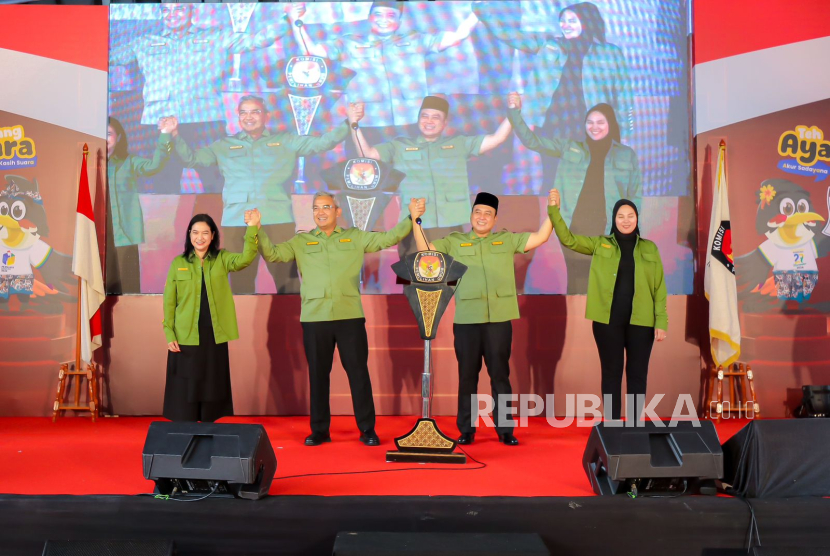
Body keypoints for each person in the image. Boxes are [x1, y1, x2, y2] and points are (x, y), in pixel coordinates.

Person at [253, 193, 424, 446]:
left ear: (337, 211)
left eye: (326, 207)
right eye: (316, 208)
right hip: (315, 318)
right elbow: (274, 255)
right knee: (319, 376)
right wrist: (256, 229)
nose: (320, 212)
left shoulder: (354, 237)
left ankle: (367, 429)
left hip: (349, 316)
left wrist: (412, 217)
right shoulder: (302, 240)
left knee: (358, 374)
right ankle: (320, 430)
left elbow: (387, 238)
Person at [168, 96, 355, 294]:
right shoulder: (223, 145)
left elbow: (323, 143)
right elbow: (191, 159)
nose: (249, 117)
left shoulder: (285, 141)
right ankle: (242, 324)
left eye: (255, 112)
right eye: (244, 113)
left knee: (288, 282)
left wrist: (349, 122)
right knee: (240, 283)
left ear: (266, 116)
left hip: (277, 219)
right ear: (238, 117)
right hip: (237, 222)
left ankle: (292, 324)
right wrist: (174, 135)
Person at [414, 192, 554, 445]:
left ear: (495, 217)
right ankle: (466, 430)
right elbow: (425, 251)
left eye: (488, 213)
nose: (482, 217)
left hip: (499, 319)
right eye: (478, 212)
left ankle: (505, 430)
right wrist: (416, 220)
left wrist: (553, 210)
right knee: (468, 375)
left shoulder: (506, 240)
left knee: (500, 374)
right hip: (467, 319)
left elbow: (542, 236)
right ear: (471, 216)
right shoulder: (455, 241)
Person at [109, 4, 294, 194]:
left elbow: (256, 41)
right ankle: (165, 223)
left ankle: (218, 223)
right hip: (160, 124)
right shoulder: (144, 42)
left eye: (179, 9)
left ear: (192, 12)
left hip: (204, 121)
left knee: (216, 182)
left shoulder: (215, 37)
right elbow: (110, 56)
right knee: (162, 184)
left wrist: (287, 19)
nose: (172, 15)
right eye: (166, 10)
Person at [548, 189, 667, 420]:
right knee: (611, 373)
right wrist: (554, 210)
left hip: (642, 323)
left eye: (630, 215)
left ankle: (634, 426)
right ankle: (612, 426)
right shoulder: (600, 244)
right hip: (607, 322)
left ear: (637, 218)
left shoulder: (650, 248)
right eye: (620, 216)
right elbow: (568, 240)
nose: (625, 220)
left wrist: (661, 321)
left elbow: (659, 288)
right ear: (614, 219)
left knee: (637, 374)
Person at [507, 92, 641, 293]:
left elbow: (634, 196)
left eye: (600, 122)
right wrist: (515, 113)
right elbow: (532, 141)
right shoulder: (570, 147)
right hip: (574, 228)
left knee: (605, 286)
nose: (594, 127)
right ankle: (580, 323)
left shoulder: (626, 154)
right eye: (590, 122)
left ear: (611, 124)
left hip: (607, 230)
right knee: (577, 284)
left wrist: (632, 235)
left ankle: (600, 323)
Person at [351, 95, 513, 257]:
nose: (429, 121)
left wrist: (513, 110)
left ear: (444, 124)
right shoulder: (400, 146)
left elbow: (497, 138)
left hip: (450, 225)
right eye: (425, 116)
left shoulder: (459, 144)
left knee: (449, 278)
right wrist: (354, 124)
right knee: (413, 276)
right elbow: (368, 155)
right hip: (413, 224)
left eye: (436, 117)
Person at [290, 1, 479, 132]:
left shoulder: (416, 40)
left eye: (391, 15)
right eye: (378, 15)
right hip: (366, 124)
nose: (384, 19)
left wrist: (479, 9)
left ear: (399, 21)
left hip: (410, 124)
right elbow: (311, 51)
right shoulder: (347, 43)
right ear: (370, 18)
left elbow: (458, 36)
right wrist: (294, 20)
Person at [162, 211, 260, 422]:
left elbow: (246, 258)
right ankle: (186, 426)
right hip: (185, 333)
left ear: (213, 235)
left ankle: (208, 425)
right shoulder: (178, 263)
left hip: (213, 333)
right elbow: (169, 301)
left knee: (211, 381)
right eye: (195, 232)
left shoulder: (222, 259)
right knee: (186, 384)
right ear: (189, 235)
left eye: (205, 233)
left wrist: (252, 228)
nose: (200, 237)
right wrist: (169, 331)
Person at [106, 117, 172, 294]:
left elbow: (154, 166)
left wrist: (165, 135)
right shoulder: (89, 164)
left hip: (125, 236)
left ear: (118, 137)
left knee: (129, 290)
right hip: (98, 238)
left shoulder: (129, 162)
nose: (104, 139)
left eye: (109, 134)